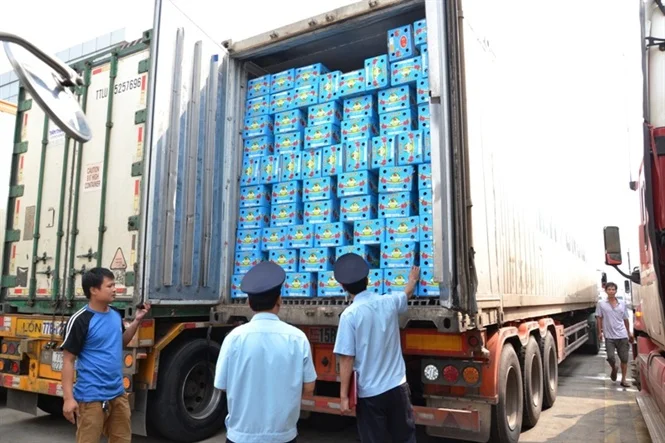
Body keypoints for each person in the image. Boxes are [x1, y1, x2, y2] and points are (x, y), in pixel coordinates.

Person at [214, 261, 317, 443]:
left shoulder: (233, 338)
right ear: (279, 300)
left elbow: (221, 385)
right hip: (283, 436)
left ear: (249, 303)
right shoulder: (297, 338)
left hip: (241, 436)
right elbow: (309, 387)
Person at [332, 253, 420, 443]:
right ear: (368, 280)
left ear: (343, 287)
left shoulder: (349, 315)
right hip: (398, 387)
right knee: (405, 438)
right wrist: (412, 279)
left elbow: (346, 358)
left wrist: (344, 396)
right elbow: (406, 294)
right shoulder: (388, 302)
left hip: (370, 394)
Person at [60, 267, 150, 443]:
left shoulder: (115, 314)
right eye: (110, 286)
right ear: (94, 290)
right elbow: (68, 361)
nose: (115, 289)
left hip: (117, 393)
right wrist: (68, 399)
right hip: (91, 397)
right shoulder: (81, 320)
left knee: (122, 439)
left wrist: (137, 321)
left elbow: (120, 342)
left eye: (114, 285)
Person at [596, 281, 634, 387]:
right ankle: (614, 368)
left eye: (613, 289)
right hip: (609, 337)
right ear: (606, 291)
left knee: (624, 359)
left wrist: (629, 332)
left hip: (622, 335)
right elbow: (599, 318)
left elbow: (625, 319)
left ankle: (623, 379)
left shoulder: (622, 303)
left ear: (616, 291)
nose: (611, 291)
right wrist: (599, 332)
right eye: (609, 289)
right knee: (610, 357)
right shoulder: (601, 304)